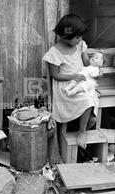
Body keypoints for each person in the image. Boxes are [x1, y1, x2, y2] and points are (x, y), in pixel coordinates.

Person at [42, 14, 99, 148]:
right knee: (87, 100)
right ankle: (82, 131)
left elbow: (85, 64)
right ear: (66, 35)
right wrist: (73, 76)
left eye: (81, 37)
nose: (80, 39)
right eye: (77, 37)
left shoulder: (80, 45)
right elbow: (55, 75)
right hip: (65, 88)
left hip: (79, 82)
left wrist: (85, 55)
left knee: (92, 116)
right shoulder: (54, 52)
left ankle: (83, 127)